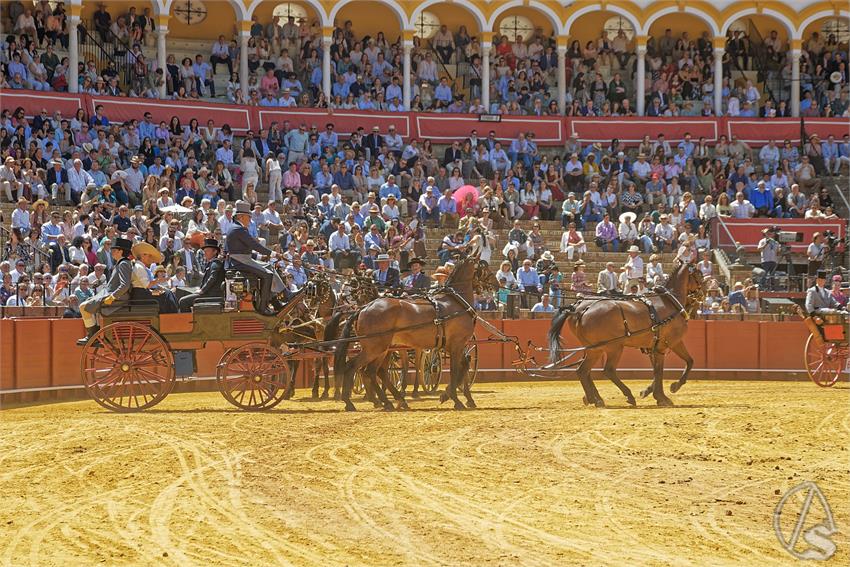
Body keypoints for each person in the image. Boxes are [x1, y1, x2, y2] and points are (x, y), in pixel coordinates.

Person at [225, 200, 285, 315]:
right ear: (241, 217)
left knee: (269, 266)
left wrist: (260, 257)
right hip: (239, 261)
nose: (250, 219)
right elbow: (254, 245)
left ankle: (277, 299)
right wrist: (273, 254)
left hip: (242, 259)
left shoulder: (236, 227)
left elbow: (242, 249)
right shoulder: (238, 229)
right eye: (248, 217)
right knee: (267, 275)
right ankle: (263, 307)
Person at [77, 237, 134, 344]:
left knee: (83, 307)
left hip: (116, 297)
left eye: (114, 250)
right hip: (110, 294)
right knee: (87, 304)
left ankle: (92, 336)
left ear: (121, 251)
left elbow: (125, 285)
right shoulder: (122, 263)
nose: (111, 252)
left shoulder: (124, 263)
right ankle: (96, 334)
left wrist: (113, 297)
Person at [178, 239, 225, 312]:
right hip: (208, 294)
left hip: (211, 296)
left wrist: (202, 290)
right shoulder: (211, 263)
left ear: (215, 251)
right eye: (204, 251)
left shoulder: (215, 263)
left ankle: (188, 323)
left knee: (183, 301)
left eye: (207, 251)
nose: (205, 253)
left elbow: (212, 278)